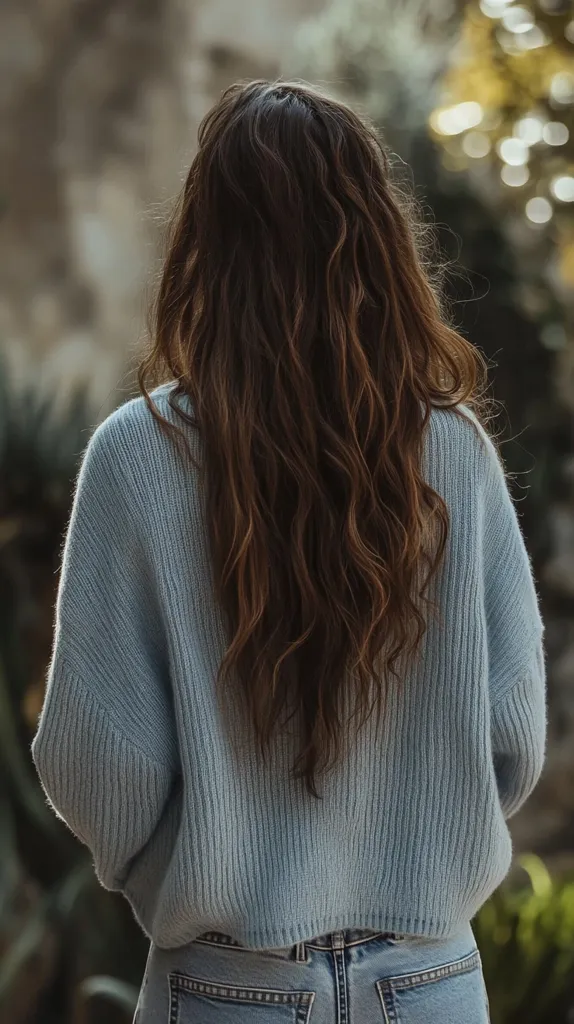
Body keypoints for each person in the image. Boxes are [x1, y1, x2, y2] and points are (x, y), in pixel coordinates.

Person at [31, 79, 546, 1023]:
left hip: (226, 983)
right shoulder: (455, 453)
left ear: (206, 247)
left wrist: (185, 882)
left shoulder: (139, 457)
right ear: (380, 244)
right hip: (433, 983)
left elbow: (94, 762)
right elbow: (512, 733)